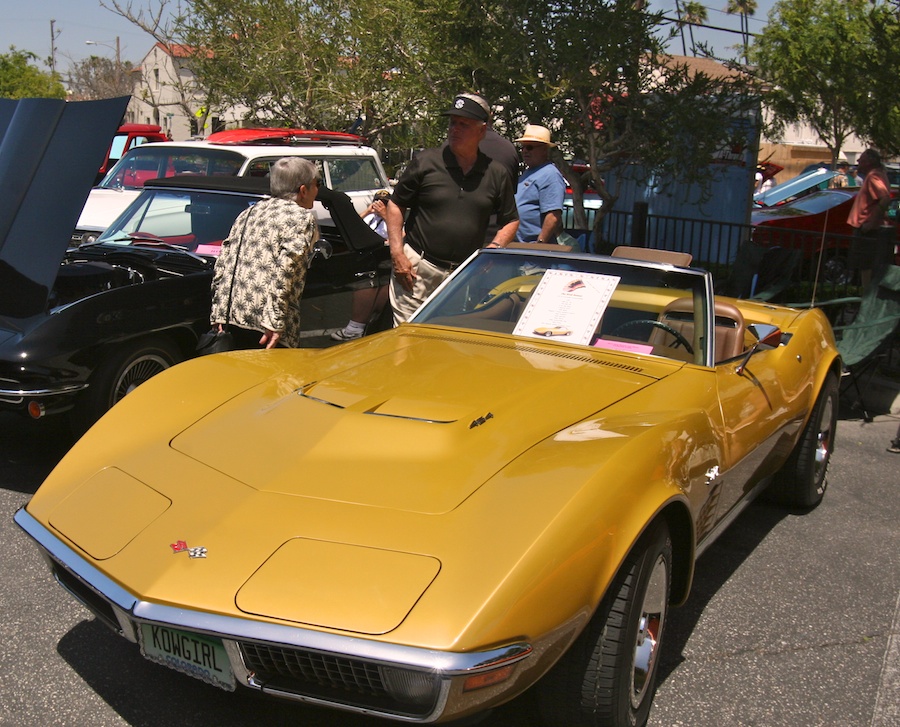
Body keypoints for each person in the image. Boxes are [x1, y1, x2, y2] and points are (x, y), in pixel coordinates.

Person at [386, 93, 519, 324]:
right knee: (406, 343)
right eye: (452, 123)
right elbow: (396, 204)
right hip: (417, 270)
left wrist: (493, 250)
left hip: (462, 277)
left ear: (481, 131)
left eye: (463, 125)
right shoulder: (426, 162)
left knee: (446, 345)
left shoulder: (495, 172)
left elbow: (510, 219)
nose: (454, 129)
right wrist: (397, 253)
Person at [210, 156, 319, 349]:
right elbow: (286, 270)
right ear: (303, 190)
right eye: (316, 184)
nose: (317, 190)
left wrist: (218, 311)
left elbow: (224, 261)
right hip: (267, 325)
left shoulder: (250, 212)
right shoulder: (301, 217)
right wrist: (275, 321)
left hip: (234, 315)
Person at [331, 189, 392, 341]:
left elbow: (400, 235)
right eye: (377, 202)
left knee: (372, 289)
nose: (379, 206)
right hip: (364, 255)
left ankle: (362, 326)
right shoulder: (369, 217)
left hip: (382, 258)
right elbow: (354, 227)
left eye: (383, 204)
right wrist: (367, 211)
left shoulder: (392, 220)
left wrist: (386, 215)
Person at [847, 148, 893, 288]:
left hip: (868, 229)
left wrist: (870, 223)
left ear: (870, 162)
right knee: (865, 267)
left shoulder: (874, 177)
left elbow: (885, 199)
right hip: (869, 228)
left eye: (862, 159)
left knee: (866, 267)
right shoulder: (878, 175)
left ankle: (866, 301)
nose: (859, 161)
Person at [513, 124, 566, 244]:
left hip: (533, 251)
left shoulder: (550, 174)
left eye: (530, 147)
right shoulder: (528, 172)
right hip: (518, 247)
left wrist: (540, 244)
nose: (525, 151)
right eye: (523, 147)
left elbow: (553, 215)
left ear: (544, 149)